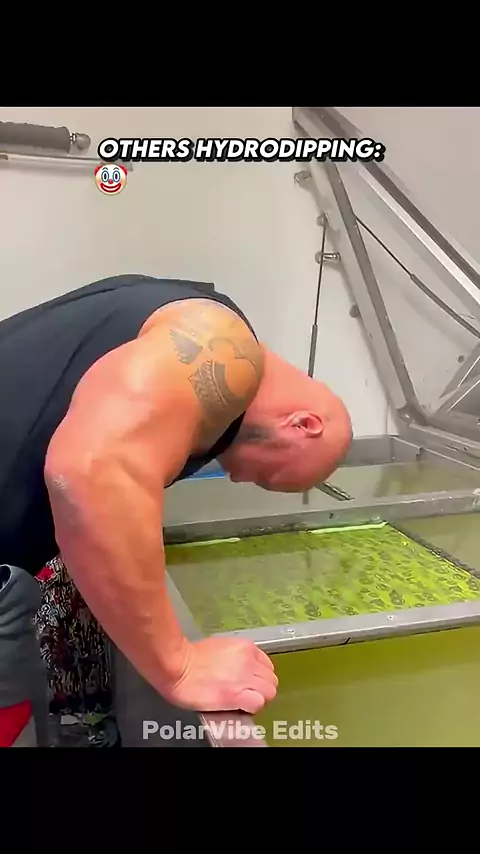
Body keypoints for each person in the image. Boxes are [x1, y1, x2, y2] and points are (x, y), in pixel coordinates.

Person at [0, 274, 352, 743]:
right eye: (266, 477)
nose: (239, 478)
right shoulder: (220, 343)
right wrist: (179, 665)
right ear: (302, 425)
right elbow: (91, 470)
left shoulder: (177, 313)